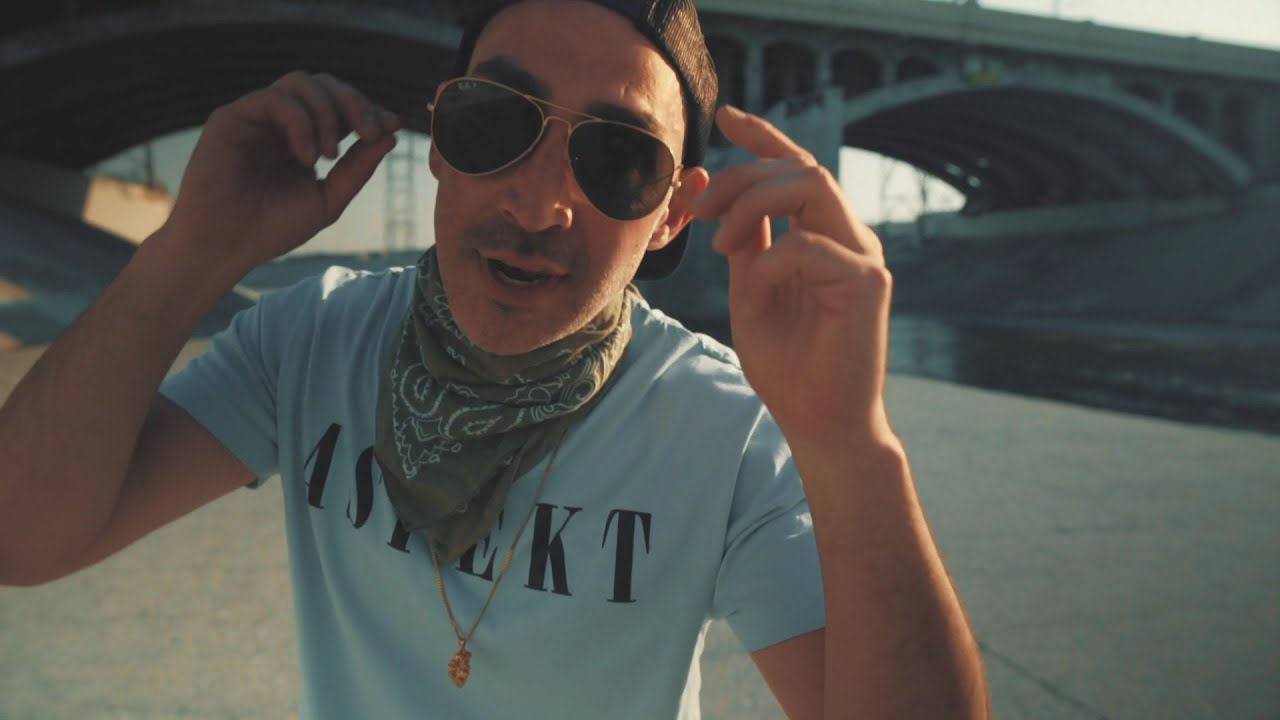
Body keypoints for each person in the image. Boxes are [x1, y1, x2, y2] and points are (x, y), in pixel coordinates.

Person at [0, 0, 989, 717]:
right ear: (439, 139)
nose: (537, 202)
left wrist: (851, 444)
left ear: (671, 216)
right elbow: (22, 538)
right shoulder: (311, 345)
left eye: (618, 160)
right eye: (496, 122)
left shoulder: (721, 432)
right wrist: (186, 256)